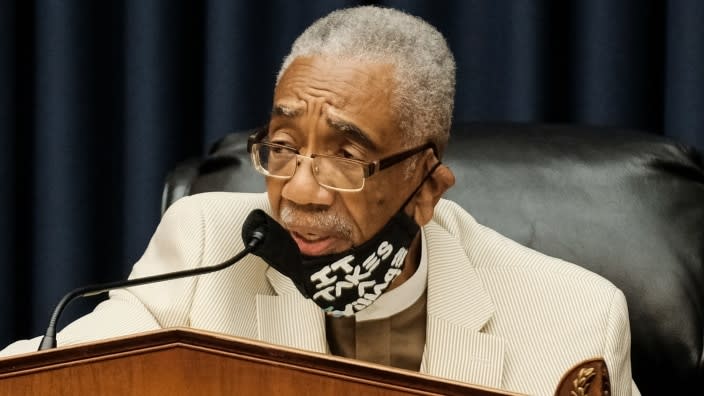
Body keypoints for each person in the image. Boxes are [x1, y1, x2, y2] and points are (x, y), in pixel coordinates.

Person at [1, 6, 638, 395]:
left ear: (427, 186)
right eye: (282, 147)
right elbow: (59, 379)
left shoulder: (573, 320)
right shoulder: (206, 247)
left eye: (347, 156)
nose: (300, 192)